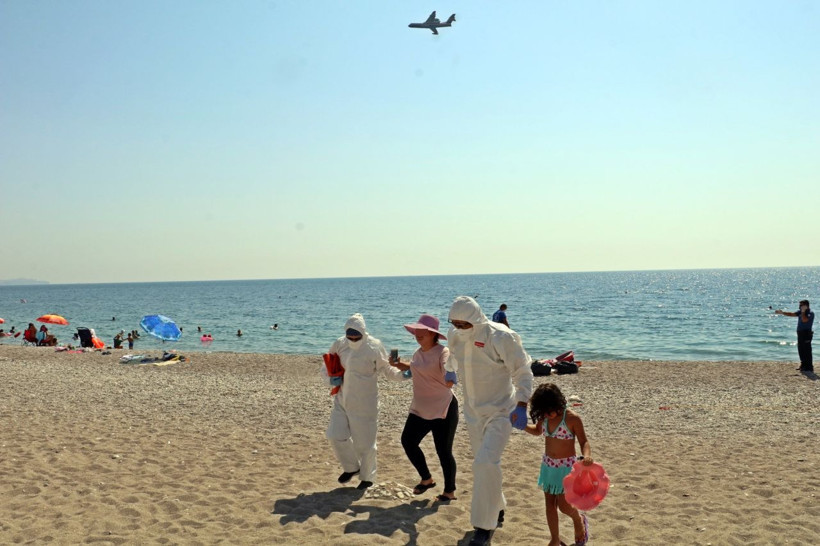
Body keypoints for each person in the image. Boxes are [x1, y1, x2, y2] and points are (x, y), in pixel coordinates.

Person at [444, 296, 533, 545]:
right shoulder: (454, 335)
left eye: (464, 325)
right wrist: (449, 368)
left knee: (484, 463)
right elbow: (451, 355)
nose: (459, 329)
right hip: (473, 413)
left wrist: (523, 403)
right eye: (455, 324)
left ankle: (484, 527)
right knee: (485, 465)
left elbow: (523, 370)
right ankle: (498, 506)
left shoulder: (501, 337)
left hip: (502, 411)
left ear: (476, 320)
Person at [323, 313, 405, 490]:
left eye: (356, 336)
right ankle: (351, 467)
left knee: (365, 444)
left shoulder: (374, 346)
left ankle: (367, 478)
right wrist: (330, 379)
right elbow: (328, 364)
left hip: (365, 402)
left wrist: (404, 374)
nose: (353, 339)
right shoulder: (340, 344)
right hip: (342, 399)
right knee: (335, 435)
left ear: (363, 333)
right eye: (349, 336)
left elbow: (387, 369)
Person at [390, 314, 458, 502]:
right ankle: (427, 479)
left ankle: (449, 491)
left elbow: (448, 368)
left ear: (433, 334)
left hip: (443, 408)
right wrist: (398, 364)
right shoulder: (418, 353)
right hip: (420, 408)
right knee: (408, 442)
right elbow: (415, 369)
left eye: (423, 332)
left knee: (443, 451)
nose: (418, 335)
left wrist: (450, 374)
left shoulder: (443, 353)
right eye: (416, 331)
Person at [524, 383, 593, 546]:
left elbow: (584, 442)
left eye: (549, 411)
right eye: (543, 413)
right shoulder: (544, 417)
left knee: (564, 506)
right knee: (549, 505)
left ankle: (578, 519)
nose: (547, 416)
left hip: (567, 468)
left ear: (558, 404)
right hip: (548, 466)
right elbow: (537, 431)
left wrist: (587, 456)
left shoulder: (572, 418)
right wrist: (522, 425)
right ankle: (554, 539)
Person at [775, 300, 814, 372]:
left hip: (806, 333)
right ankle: (803, 365)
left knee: (807, 350)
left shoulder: (810, 313)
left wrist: (803, 312)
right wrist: (782, 312)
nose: (800, 307)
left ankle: (809, 367)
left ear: (806, 306)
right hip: (800, 333)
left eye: (801, 305)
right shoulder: (800, 312)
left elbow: (804, 320)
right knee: (801, 349)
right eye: (800, 305)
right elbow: (792, 314)